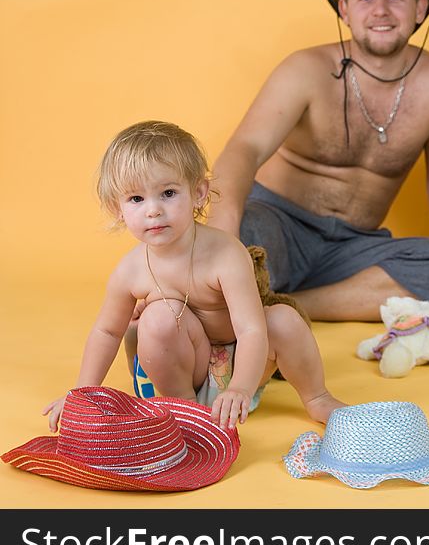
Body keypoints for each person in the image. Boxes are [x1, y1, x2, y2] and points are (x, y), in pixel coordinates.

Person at [208, 0, 429, 321]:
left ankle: (288, 306)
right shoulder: (305, 69)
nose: (380, 10)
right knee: (236, 240)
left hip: (354, 246)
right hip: (279, 225)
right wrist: (223, 231)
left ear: (420, 8)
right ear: (344, 9)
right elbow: (244, 149)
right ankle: (256, 290)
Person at [43, 121, 346, 433]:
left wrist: (240, 387)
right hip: (187, 368)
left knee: (283, 319)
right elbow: (106, 332)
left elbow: (251, 329)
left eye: (168, 193)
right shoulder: (130, 270)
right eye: (136, 199)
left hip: (244, 365)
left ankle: (317, 397)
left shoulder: (225, 254)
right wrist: (80, 393)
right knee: (155, 318)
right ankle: (185, 410)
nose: (153, 211)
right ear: (116, 208)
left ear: (198, 193)